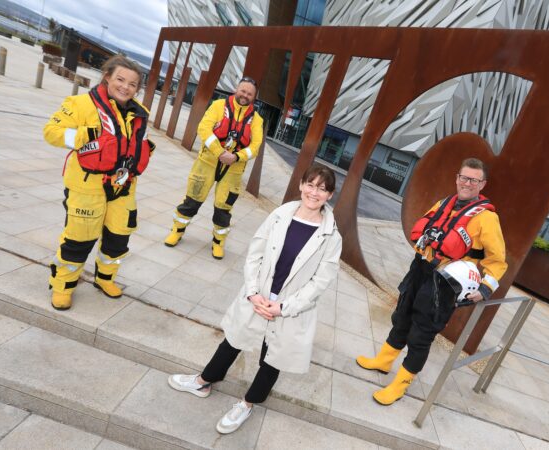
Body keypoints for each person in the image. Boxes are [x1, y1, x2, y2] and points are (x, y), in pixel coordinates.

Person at [168, 165, 342, 434]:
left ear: (329, 195)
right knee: (233, 340)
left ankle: (247, 404)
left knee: (271, 359)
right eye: (310, 184)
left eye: (322, 188)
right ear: (301, 185)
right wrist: (252, 292)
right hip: (258, 295)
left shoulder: (332, 237)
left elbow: (320, 281)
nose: (313, 192)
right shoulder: (279, 215)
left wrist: (284, 307)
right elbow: (255, 253)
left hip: (289, 308)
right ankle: (204, 381)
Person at [356, 158, 507, 405]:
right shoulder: (444, 203)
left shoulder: (487, 219)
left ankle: (401, 385)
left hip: (445, 282)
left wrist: (484, 289)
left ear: (483, 184)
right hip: (419, 268)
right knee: (402, 315)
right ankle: (384, 360)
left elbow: (498, 260)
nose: (467, 183)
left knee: (421, 334)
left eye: (474, 180)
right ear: (457, 177)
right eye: (463, 177)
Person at [43, 55, 155, 310]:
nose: (125, 87)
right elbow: (51, 132)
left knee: (118, 238)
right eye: (120, 79)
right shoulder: (81, 104)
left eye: (133, 84)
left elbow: (141, 144)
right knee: (79, 239)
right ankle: (63, 286)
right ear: (107, 77)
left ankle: (105, 279)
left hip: (124, 186)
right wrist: (85, 135)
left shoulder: (141, 114)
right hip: (87, 186)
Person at [164, 77, 264, 259]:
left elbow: (255, 146)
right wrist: (219, 152)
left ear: (254, 97)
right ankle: (176, 231)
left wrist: (236, 156)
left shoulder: (257, 120)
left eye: (249, 94)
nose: (245, 95)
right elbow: (204, 128)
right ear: (236, 88)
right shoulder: (218, 105)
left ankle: (218, 243)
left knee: (223, 209)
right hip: (208, 162)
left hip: (233, 169)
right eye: (243, 91)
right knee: (192, 200)